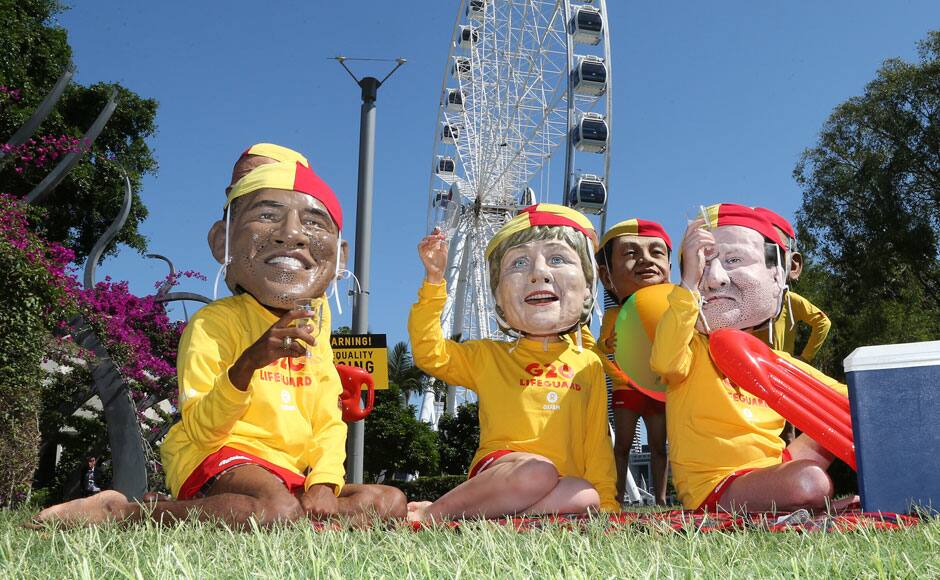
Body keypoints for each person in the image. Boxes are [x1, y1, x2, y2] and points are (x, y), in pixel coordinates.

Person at [35, 145, 405, 527]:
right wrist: (250, 362)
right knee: (276, 509)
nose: (291, 235)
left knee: (389, 502)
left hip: (287, 468)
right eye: (267, 214)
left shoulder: (315, 330)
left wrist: (325, 482)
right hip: (218, 452)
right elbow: (201, 428)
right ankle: (127, 513)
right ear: (221, 241)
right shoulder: (214, 323)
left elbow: (328, 419)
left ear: (340, 256)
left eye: (313, 222)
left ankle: (290, 517)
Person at [407, 204, 618, 521]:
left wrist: (609, 506)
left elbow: (596, 442)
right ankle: (435, 515)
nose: (538, 273)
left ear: (588, 289)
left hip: (561, 486)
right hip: (504, 470)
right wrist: (435, 281)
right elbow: (429, 352)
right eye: (519, 263)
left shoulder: (588, 363)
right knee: (536, 472)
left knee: (587, 495)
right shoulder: (489, 356)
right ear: (500, 300)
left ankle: (487, 518)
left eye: (557, 259)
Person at [651, 203, 850, 512]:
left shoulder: (772, 359)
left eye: (733, 260)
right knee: (810, 482)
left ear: (777, 274)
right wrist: (688, 285)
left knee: (841, 417)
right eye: (702, 266)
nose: (715, 278)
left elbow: (845, 400)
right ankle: (803, 500)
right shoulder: (689, 348)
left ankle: (794, 498)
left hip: (774, 466)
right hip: (718, 485)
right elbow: (663, 361)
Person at [594, 219, 672, 505]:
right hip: (626, 390)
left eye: (656, 252)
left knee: (659, 447)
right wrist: (610, 355)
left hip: (657, 388)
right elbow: (600, 349)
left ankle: (662, 499)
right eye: (630, 253)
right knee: (622, 446)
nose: (645, 261)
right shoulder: (614, 317)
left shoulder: (674, 310)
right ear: (606, 276)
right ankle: (616, 496)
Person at [753, 207, 831, 444]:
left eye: (769, 252)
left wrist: (804, 359)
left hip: (781, 373)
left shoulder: (788, 300)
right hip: (751, 375)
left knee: (788, 429)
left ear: (792, 264)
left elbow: (822, 322)